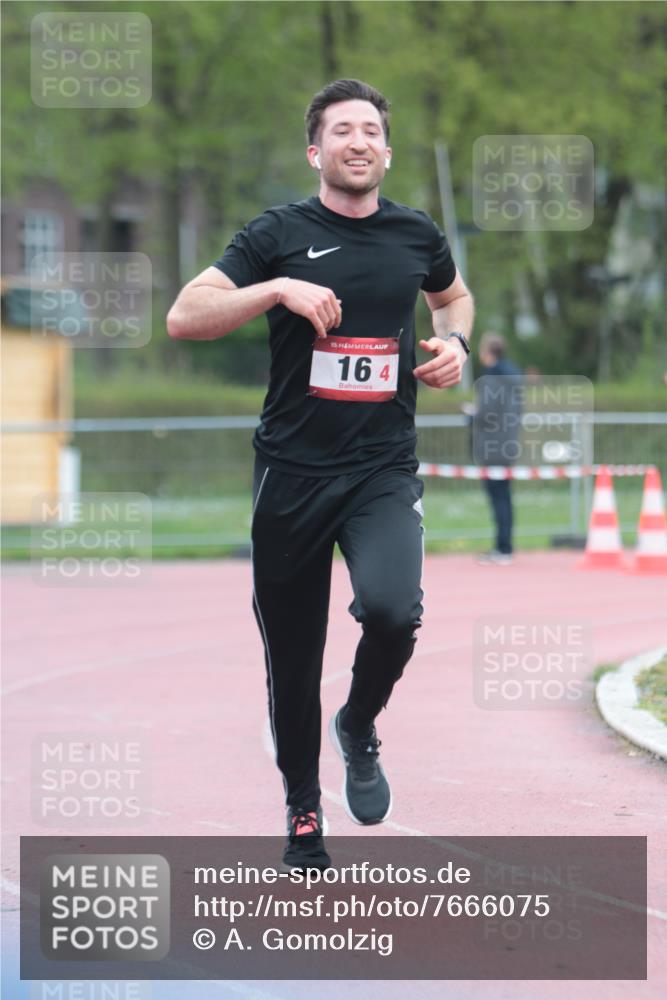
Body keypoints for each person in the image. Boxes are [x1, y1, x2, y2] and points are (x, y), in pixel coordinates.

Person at [167, 79, 474, 871]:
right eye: (342, 130)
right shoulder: (276, 233)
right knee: (294, 659)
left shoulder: (416, 234)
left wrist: (456, 345)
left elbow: (454, 298)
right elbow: (184, 316)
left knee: (393, 610)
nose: (358, 141)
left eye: (371, 129)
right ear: (316, 151)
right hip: (293, 475)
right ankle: (303, 809)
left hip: (379, 467)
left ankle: (359, 723)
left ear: (387, 150)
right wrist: (274, 287)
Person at [473, 332, 522, 565]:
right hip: (509, 442)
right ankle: (505, 546)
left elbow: (486, 413)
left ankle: (503, 548)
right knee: (505, 496)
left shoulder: (492, 378)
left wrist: (471, 415)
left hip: (492, 445)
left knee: (498, 497)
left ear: (486, 352)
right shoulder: (513, 377)